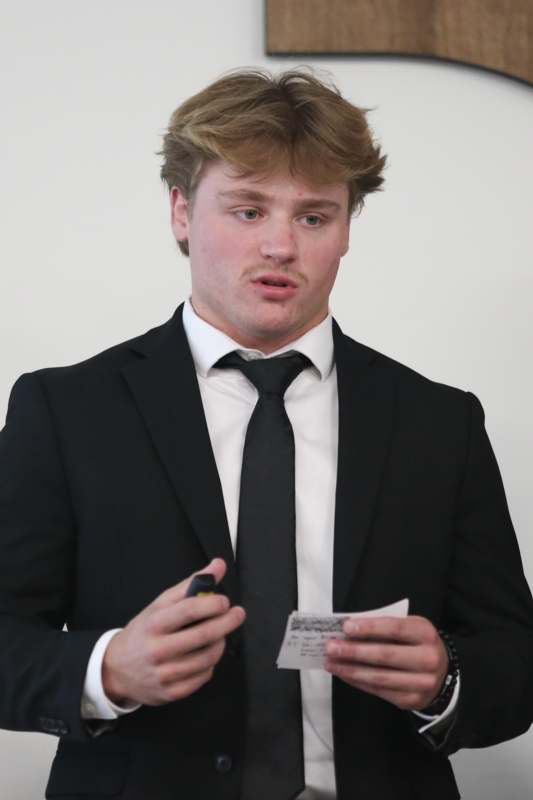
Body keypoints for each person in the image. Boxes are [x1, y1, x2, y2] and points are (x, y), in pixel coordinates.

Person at [0, 68, 532, 800]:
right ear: (181, 212)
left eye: (313, 217)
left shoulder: (439, 421)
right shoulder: (65, 409)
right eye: (247, 212)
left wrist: (447, 679)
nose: (281, 246)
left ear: (346, 228)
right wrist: (107, 669)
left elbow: (514, 658)